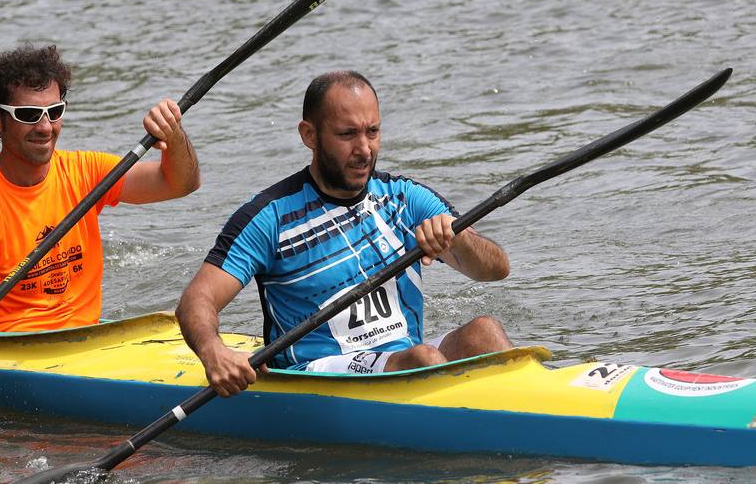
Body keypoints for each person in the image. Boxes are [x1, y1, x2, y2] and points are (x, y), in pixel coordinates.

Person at [177, 70, 512, 397]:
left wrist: (459, 239)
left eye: (372, 131)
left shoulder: (405, 199)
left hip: (407, 359)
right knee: (423, 359)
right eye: (347, 134)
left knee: (485, 333)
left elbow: (495, 270)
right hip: (315, 371)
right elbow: (197, 299)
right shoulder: (270, 218)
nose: (365, 149)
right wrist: (213, 350)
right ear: (310, 135)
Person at [0, 44, 199, 378]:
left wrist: (174, 137)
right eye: (28, 115)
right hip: (8, 359)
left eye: (55, 112)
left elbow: (179, 184)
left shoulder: (87, 173)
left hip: (86, 346)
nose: (45, 127)